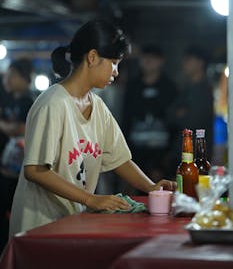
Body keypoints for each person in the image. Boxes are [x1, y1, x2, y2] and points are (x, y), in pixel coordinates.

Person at [9, 20, 176, 237]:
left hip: (70, 220)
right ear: (92, 57)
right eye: (114, 63)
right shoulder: (53, 103)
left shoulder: (96, 106)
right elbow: (36, 170)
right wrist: (91, 199)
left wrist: (152, 188)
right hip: (38, 224)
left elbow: (120, 159)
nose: (116, 72)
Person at [121, 44, 177, 184]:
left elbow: (175, 122)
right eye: (145, 57)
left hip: (162, 151)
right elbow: (125, 118)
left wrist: (169, 154)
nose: (148, 61)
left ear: (161, 61)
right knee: (136, 190)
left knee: (159, 192)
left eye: (153, 58)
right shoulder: (133, 86)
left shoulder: (169, 88)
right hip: (135, 150)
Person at [0, 58, 34, 253]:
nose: (7, 79)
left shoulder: (28, 101)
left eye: (12, 75)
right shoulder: (12, 100)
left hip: (19, 172)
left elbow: (20, 129)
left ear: (23, 78)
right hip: (8, 169)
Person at [167, 45, 214, 175]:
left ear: (200, 63)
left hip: (197, 156)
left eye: (188, 60)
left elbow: (192, 122)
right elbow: (169, 115)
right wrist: (180, 114)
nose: (184, 64)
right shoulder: (187, 88)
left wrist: (181, 114)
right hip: (181, 152)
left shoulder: (204, 90)